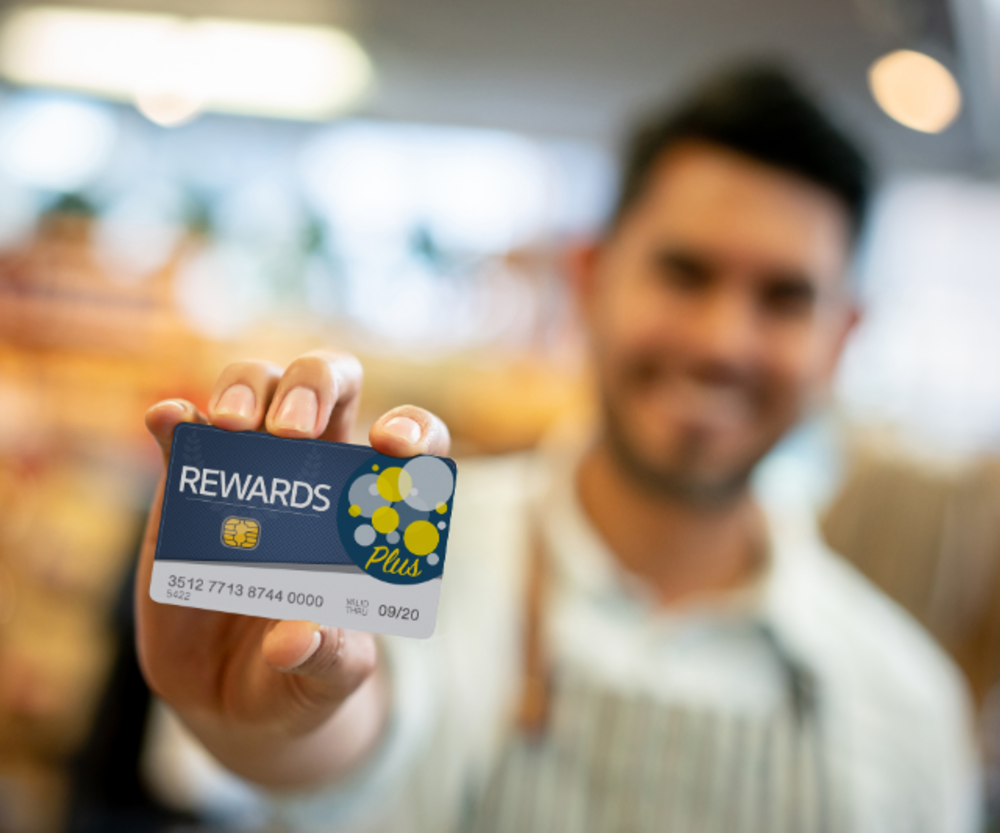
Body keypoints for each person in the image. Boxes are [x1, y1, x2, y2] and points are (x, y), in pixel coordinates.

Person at [135, 65, 980, 832]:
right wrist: (266, 724)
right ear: (591, 277)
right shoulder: (396, 543)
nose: (725, 340)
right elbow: (345, 726)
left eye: (785, 298)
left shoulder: (908, 706)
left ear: (843, 336)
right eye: (685, 274)